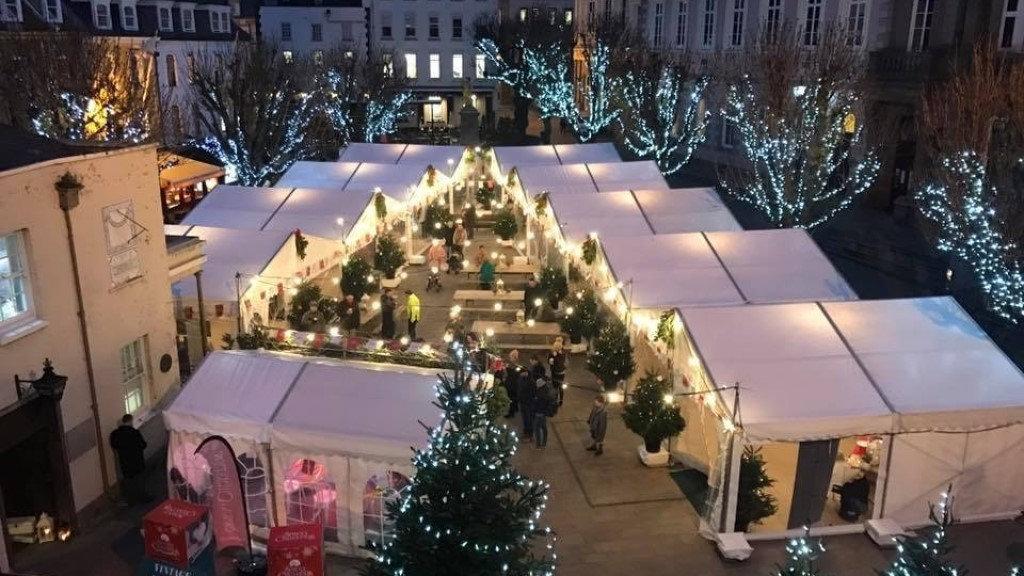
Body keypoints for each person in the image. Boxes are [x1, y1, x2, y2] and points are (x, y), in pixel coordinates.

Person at [109, 414, 150, 504]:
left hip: (124, 462)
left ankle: (131, 500)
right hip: (137, 461)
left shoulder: (115, 434)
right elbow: (143, 445)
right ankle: (142, 497)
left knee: (129, 481)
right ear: (130, 421)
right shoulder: (134, 433)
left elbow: (114, 445)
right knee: (139, 480)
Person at [531, 377, 556, 448]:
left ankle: (539, 445)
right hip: (543, 413)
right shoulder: (546, 389)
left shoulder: (540, 393)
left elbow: (539, 404)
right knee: (543, 428)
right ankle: (544, 444)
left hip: (539, 413)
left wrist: (535, 411)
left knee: (537, 428)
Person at [516, 366, 536, 441]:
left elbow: (533, 393)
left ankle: (530, 435)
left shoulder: (531, 381)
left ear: (525, 373)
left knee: (529, 419)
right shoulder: (521, 378)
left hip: (528, 403)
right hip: (522, 402)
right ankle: (526, 431)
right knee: (525, 418)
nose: (520, 374)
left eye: (521, 373)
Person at [503, 349, 522, 418]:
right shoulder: (515, 364)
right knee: (514, 398)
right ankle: (515, 408)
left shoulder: (515, 365)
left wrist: (507, 368)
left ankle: (511, 413)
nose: (510, 358)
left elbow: (514, 374)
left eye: (511, 356)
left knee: (511, 398)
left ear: (514, 357)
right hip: (513, 383)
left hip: (512, 384)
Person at [549, 336, 567, 406]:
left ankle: (558, 400)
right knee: (559, 386)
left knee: (557, 387)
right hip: (558, 372)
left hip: (558, 372)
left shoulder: (561, 354)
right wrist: (551, 360)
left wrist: (555, 357)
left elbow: (559, 363)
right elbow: (549, 360)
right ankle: (557, 399)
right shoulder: (555, 353)